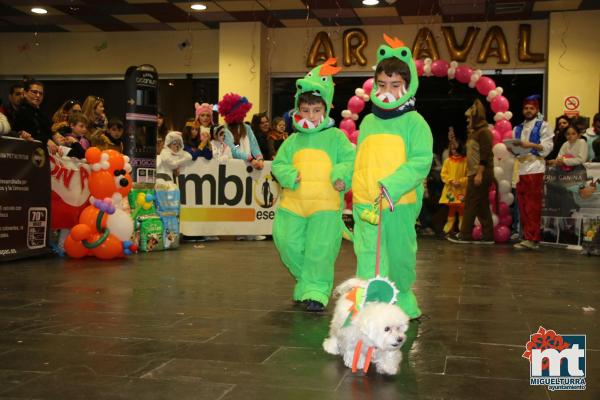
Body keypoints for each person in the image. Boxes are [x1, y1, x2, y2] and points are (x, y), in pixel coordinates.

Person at [352, 35, 433, 320]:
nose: (387, 91)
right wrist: (353, 187)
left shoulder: (416, 123)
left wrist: (393, 186)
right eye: (382, 84)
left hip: (400, 203)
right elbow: (360, 159)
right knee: (369, 261)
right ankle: (370, 311)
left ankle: (403, 297)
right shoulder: (368, 121)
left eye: (395, 85)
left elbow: (421, 162)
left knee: (400, 258)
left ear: (407, 87)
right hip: (367, 205)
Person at [272, 58, 355, 312]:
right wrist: (288, 174)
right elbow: (278, 165)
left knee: (320, 250)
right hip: (293, 205)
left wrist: (341, 175)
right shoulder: (293, 140)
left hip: (325, 205)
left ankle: (316, 290)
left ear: (325, 109)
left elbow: (350, 159)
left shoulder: (336, 137)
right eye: (306, 110)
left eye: (316, 110)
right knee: (286, 242)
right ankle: (308, 282)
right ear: (298, 110)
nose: (311, 116)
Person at [448, 99, 495, 245]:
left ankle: (465, 235)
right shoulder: (473, 133)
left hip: (481, 172)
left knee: (470, 203)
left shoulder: (484, 132)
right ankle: (488, 236)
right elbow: (467, 153)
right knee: (481, 206)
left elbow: (486, 154)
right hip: (474, 172)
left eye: (469, 117)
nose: (467, 120)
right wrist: (454, 142)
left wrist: (479, 173)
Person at [510, 95, 554, 250]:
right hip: (520, 168)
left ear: (537, 110)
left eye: (532, 108)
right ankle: (527, 236)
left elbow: (547, 147)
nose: (528, 111)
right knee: (522, 206)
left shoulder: (543, 126)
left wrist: (532, 145)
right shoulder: (517, 128)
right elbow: (515, 149)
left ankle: (533, 239)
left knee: (532, 206)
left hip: (535, 167)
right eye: (526, 108)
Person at [12, 80, 59, 154]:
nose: (38, 95)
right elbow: (32, 133)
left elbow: (49, 132)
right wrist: (46, 140)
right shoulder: (20, 112)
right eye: (34, 92)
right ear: (25, 93)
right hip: (26, 155)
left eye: (41, 93)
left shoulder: (42, 115)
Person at [219, 93, 264, 170]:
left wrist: (259, 158)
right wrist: (250, 159)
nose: (243, 115)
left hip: (247, 166)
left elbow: (254, 145)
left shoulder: (247, 128)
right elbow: (233, 150)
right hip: (232, 167)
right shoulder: (225, 130)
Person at [440, 140, 467, 235]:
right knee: (451, 210)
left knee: (461, 210)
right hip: (451, 189)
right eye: (452, 149)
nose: (454, 151)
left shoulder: (465, 161)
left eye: (456, 149)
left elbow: (468, 176)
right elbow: (443, 174)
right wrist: (451, 180)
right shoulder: (448, 161)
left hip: (461, 190)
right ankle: (448, 229)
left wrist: (460, 181)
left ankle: (462, 230)